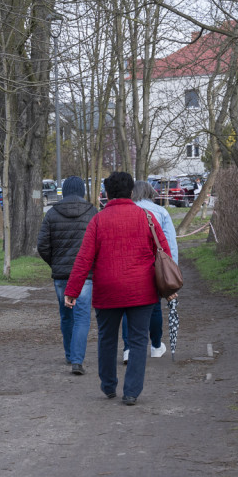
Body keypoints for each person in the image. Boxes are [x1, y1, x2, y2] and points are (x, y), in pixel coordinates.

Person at [64, 171, 174, 405]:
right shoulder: (146, 217)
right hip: (142, 291)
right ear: (131, 192)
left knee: (106, 338)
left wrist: (72, 291)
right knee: (137, 341)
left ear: (106, 193)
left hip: (107, 291)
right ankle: (132, 392)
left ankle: (108, 386)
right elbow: (164, 251)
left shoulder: (98, 220)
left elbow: (84, 259)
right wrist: (169, 288)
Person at [37, 176, 98, 375]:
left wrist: (54, 263)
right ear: (82, 191)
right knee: (82, 316)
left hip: (62, 274)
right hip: (85, 275)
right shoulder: (92, 213)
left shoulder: (52, 213)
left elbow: (43, 245)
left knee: (66, 315)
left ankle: (70, 354)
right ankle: (77, 360)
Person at [121, 180, 179, 363]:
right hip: (153, 266)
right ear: (150, 192)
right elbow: (170, 243)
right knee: (154, 307)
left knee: (127, 308)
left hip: (129, 266)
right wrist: (172, 272)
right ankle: (155, 346)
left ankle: (128, 349)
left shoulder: (125, 212)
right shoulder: (161, 212)